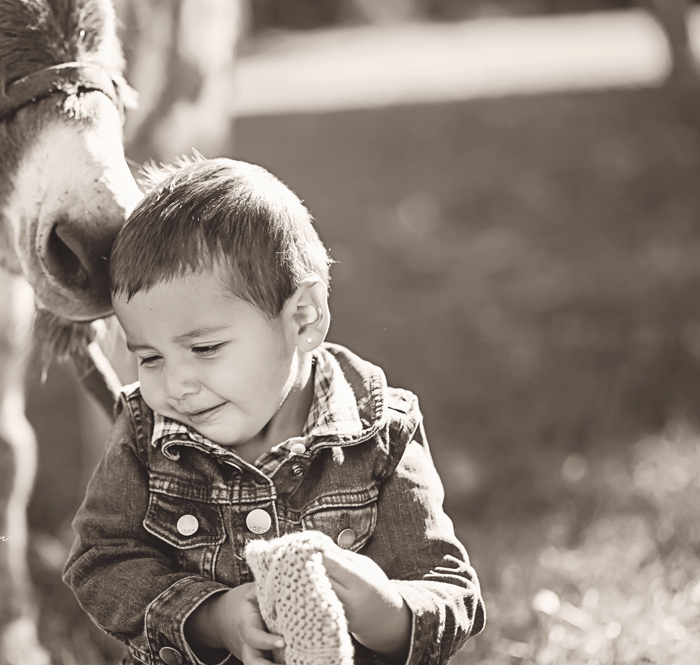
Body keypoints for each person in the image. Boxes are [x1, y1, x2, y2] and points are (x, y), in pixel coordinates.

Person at [63, 156, 485, 665]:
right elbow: (100, 559)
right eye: (149, 357)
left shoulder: (379, 432)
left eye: (205, 349)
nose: (175, 385)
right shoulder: (144, 431)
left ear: (303, 319)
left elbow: (451, 591)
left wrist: (391, 613)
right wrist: (208, 616)